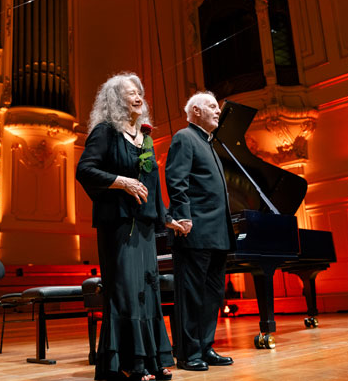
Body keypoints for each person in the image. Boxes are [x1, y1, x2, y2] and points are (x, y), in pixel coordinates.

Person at [76, 72, 182, 381]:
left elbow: (151, 185)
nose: (137, 96)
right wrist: (120, 182)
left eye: (138, 91)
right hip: (119, 226)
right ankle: (127, 363)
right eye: (128, 93)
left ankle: (151, 359)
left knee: (147, 292)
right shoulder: (105, 132)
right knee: (125, 291)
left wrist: (167, 218)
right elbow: (85, 170)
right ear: (114, 101)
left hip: (145, 228)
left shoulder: (145, 137)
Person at [165, 91, 235, 371]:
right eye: (212, 107)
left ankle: (205, 347)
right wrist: (182, 216)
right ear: (195, 111)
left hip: (217, 232)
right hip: (194, 231)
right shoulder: (185, 137)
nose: (218, 111)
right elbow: (176, 179)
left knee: (212, 295)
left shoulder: (210, 144)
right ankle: (188, 353)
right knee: (192, 295)